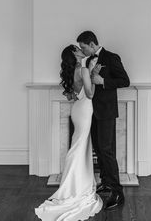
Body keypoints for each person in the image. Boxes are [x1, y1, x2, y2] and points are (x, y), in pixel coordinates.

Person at [35, 44, 103, 221]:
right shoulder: (83, 71)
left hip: (77, 110)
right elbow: (90, 94)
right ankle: (72, 185)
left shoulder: (72, 71)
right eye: (77, 48)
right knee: (79, 146)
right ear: (74, 53)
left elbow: (73, 95)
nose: (80, 49)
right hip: (85, 109)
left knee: (79, 146)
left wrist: (88, 70)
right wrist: (92, 74)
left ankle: (73, 182)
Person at [77, 31, 130, 210]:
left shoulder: (112, 57)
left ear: (92, 44)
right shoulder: (87, 61)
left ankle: (118, 192)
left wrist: (103, 81)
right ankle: (106, 183)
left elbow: (125, 80)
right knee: (99, 149)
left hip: (106, 112)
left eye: (83, 47)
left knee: (107, 151)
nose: (82, 51)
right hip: (92, 111)